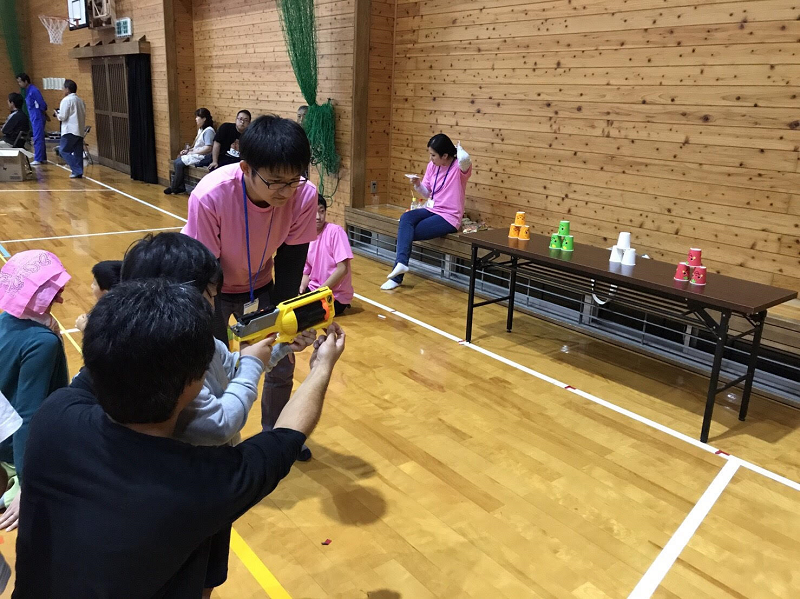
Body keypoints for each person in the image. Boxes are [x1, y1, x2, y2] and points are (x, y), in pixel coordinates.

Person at [14, 279, 346, 597]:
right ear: (195, 384)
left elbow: (108, 365)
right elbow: (288, 433)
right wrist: (321, 366)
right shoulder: (206, 484)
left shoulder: (55, 414)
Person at [71, 232, 316, 595]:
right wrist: (253, 367)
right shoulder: (160, 362)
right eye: (208, 296)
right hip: (181, 491)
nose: (213, 306)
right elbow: (219, 423)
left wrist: (275, 349)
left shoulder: (203, 341)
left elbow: (232, 367)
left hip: (210, 486)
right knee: (182, 578)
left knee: (209, 575)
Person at [182, 114, 319, 457]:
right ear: (245, 167)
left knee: (282, 360)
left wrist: (289, 317)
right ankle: (219, 443)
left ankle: (276, 434)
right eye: (274, 182)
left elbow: (291, 261)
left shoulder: (303, 196)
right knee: (214, 368)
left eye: (294, 180)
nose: (286, 192)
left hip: (263, 285)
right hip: (213, 288)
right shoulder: (210, 196)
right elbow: (203, 271)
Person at [0, 250, 70, 533]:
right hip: (19, 451)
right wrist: (28, 482)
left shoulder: (4, 320)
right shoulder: (42, 342)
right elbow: (28, 414)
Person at [381, 134, 472, 290]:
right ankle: (401, 264)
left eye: (434, 155)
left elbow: (466, 160)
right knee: (406, 218)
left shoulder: (459, 168)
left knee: (407, 232)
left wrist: (459, 149)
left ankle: (397, 277)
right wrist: (417, 184)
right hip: (432, 208)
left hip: (449, 217)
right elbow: (428, 193)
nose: (431, 159)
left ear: (445, 155)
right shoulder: (432, 166)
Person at [301, 194, 354, 315]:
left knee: (304, 314)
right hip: (315, 289)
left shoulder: (336, 232)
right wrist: (301, 288)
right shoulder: (306, 236)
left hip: (335, 295)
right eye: (313, 212)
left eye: (322, 211)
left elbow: (343, 269)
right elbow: (307, 272)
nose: (318, 217)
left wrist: (319, 293)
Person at [164, 107, 215, 195]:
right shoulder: (201, 130)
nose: (196, 119)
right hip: (197, 153)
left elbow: (208, 148)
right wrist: (188, 150)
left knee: (179, 163)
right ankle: (180, 186)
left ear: (204, 119)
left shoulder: (209, 131)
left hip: (203, 156)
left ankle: (175, 187)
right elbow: (197, 145)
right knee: (177, 160)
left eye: (197, 117)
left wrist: (193, 152)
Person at [75, 260, 122, 332]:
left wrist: (86, 329)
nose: (91, 286)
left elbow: (105, 341)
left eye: (94, 283)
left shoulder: (114, 318)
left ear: (107, 293)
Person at [54, 79, 87, 179]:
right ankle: (78, 172)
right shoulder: (80, 101)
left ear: (67, 89)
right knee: (77, 153)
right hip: (79, 129)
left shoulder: (66, 100)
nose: (62, 90)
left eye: (63, 88)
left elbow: (63, 117)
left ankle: (77, 170)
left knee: (63, 151)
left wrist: (57, 114)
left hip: (69, 130)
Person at [15, 74, 48, 165]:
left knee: (37, 137)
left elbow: (42, 104)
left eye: (20, 81)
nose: (19, 84)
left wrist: (41, 113)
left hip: (38, 117)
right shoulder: (27, 91)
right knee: (39, 137)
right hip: (34, 117)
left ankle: (38, 158)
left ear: (26, 81)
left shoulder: (34, 90)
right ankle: (43, 158)